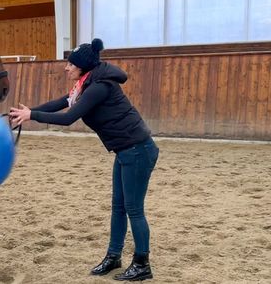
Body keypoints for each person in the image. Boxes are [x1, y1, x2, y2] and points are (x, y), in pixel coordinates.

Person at [9, 38, 159, 281]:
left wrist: (32, 115)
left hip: (137, 150)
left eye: (70, 64)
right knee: (118, 207)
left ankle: (142, 263)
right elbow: (62, 102)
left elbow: (69, 118)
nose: (66, 67)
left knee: (134, 209)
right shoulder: (85, 83)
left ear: (82, 67)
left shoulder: (98, 87)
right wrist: (27, 113)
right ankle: (114, 256)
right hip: (125, 151)